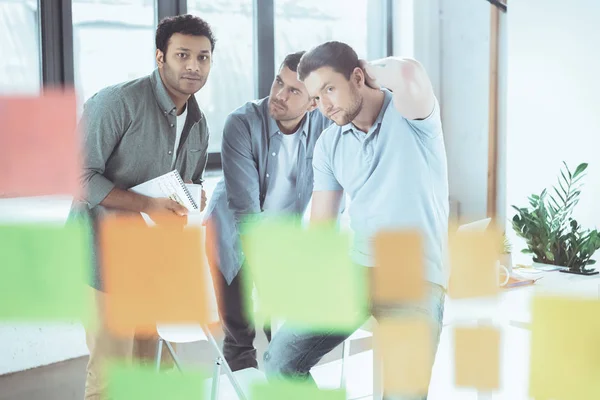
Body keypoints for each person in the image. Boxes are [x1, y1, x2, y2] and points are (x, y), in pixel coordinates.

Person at [262, 41, 449, 400]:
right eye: (316, 98)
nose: (324, 106)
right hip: (357, 270)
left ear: (359, 77)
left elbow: (409, 71)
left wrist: (351, 65)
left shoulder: (412, 116)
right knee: (280, 360)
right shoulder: (329, 146)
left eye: (330, 88)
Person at [68, 15, 214, 400]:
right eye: (182, 55)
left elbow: (181, 186)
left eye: (203, 57)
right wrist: (146, 203)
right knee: (111, 376)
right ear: (160, 57)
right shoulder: (117, 102)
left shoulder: (199, 124)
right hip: (103, 260)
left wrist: (191, 197)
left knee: (155, 367)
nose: (193, 66)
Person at [203, 51, 332, 372]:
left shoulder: (324, 125)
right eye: (278, 82)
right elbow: (245, 213)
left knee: (288, 337)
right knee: (240, 335)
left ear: (313, 103)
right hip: (232, 235)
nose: (278, 95)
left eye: (293, 91)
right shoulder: (242, 123)